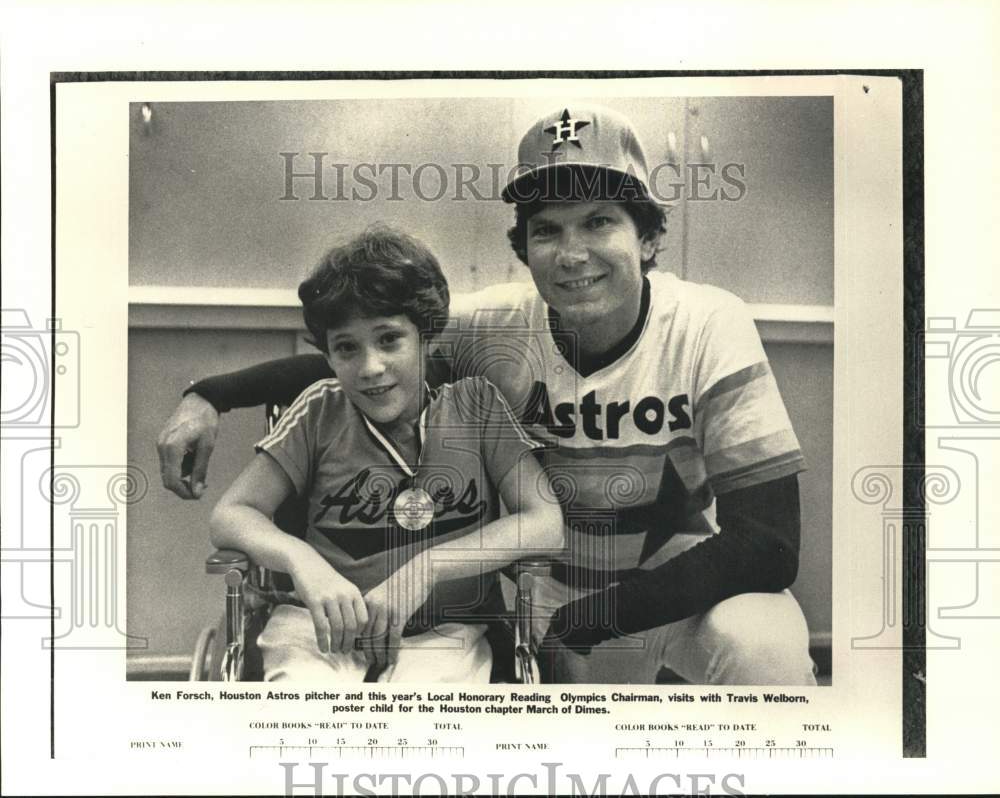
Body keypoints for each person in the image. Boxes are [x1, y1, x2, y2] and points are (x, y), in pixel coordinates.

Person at [163, 104, 817, 685]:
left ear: (646, 237)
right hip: (553, 591)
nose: (572, 253)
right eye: (547, 230)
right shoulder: (496, 326)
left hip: (673, 592)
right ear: (523, 249)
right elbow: (362, 361)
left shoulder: (707, 322)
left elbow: (767, 542)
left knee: (761, 643)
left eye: (598, 222)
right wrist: (208, 394)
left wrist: (601, 618)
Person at [209, 224, 563, 682]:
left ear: (427, 335)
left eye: (389, 339)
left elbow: (545, 522)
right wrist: (304, 563)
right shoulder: (320, 410)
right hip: (321, 631)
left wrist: (428, 568)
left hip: (443, 633)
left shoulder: (477, 407)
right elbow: (231, 514)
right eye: (347, 348)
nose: (370, 368)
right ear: (329, 356)